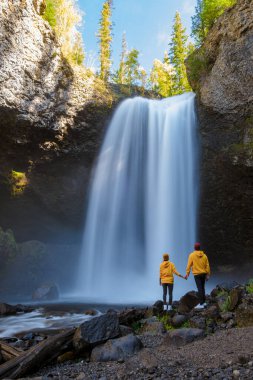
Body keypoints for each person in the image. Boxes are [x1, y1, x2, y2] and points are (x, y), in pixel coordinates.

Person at [185, 242, 210, 308]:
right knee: (202, 287)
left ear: (194, 248)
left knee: (199, 288)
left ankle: (201, 303)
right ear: (200, 248)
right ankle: (204, 302)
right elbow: (207, 266)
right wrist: (208, 274)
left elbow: (189, 265)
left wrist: (187, 274)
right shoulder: (204, 255)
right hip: (203, 274)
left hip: (197, 274)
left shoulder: (192, 255)